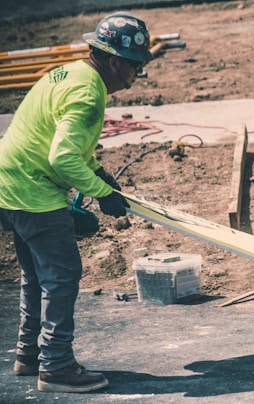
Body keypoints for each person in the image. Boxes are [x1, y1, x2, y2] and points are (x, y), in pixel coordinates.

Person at [0, 13, 153, 393]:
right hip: (34, 192)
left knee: (36, 276)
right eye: (134, 68)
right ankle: (57, 368)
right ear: (115, 61)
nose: (135, 78)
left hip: (8, 185)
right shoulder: (89, 94)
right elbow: (62, 158)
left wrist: (98, 172)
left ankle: (29, 355)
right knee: (62, 277)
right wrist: (104, 196)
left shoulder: (69, 73)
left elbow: (61, 140)